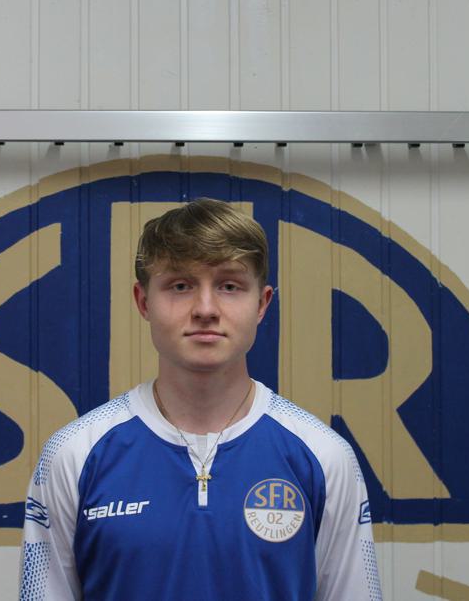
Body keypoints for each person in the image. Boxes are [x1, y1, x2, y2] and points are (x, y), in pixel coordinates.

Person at [20, 198, 381, 600]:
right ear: (144, 302)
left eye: (229, 286)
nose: (205, 309)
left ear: (261, 304)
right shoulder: (73, 454)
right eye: (180, 286)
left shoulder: (324, 455)